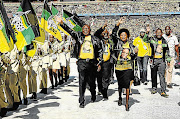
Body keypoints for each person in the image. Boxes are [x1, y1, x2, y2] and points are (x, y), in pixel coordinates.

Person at [58, 17, 103, 108]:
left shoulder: (95, 39)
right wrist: (62, 24)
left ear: (90, 30)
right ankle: (82, 101)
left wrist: (99, 62)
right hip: (82, 62)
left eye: (87, 29)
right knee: (82, 82)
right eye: (83, 29)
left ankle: (93, 94)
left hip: (92, 63)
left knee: (91, 82)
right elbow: (70, 31)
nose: (85, 30)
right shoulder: (79, 36)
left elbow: (100, 51)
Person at [112, 17, 137, 111]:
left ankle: (127, 103)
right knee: (120, 84)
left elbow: (134, 56)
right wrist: (118, 24)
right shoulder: (117, 42)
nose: (123, 36)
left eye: (124, 35)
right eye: (121, 35)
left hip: (128, 67)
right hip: (119, 67)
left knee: (127, 85)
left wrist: (135, 52)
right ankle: (119, 97)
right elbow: (113, 34)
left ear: (127, 36)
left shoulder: (131, 44)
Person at [94, 22, 114, 100]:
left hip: (107, 62)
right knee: (99, 76)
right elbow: (96, 34)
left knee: (106, 77)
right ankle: (100, 89)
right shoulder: (98, 40)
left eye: (106, 34)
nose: (105, 35)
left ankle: (105, 91)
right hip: (99, 61)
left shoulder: (111, 41)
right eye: (103, 33)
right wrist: (102, 27)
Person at [150, 28, 170, 97]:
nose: (158, 34)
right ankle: (154, 88)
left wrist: (168, 60)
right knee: (153, 75)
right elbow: (145, 40)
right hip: (154, 60)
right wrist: (147, 32)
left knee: (162, 76)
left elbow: (167, 50)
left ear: (162, 33)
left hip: (162, 60)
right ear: (155, 33)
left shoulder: (164, 41)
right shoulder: (152, 39)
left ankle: (163, 91)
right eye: (157, 32)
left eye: (160, 32)